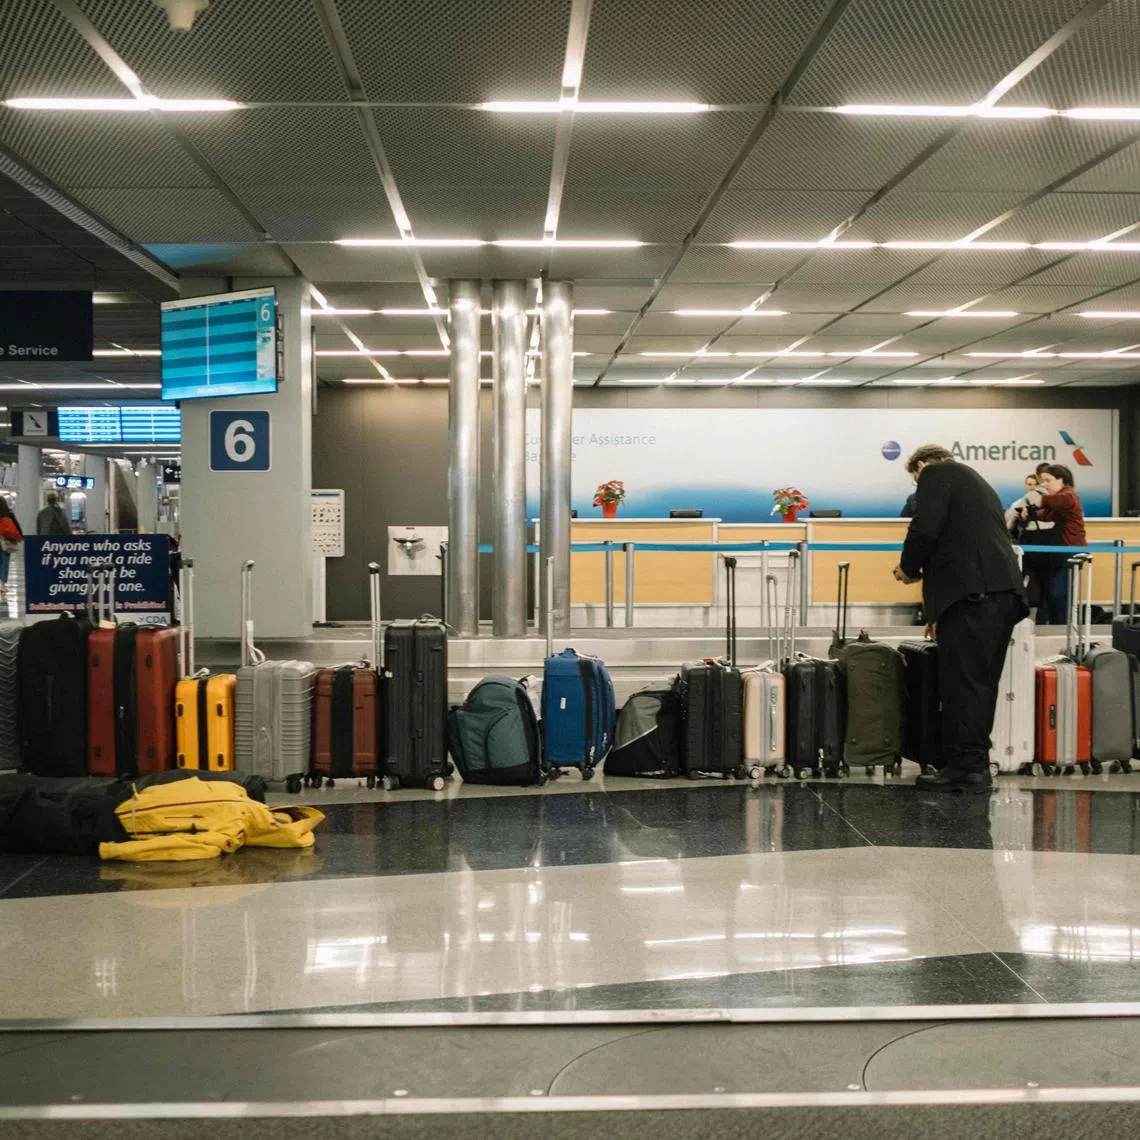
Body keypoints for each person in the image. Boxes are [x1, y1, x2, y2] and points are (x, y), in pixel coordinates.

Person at [893, 444, 1027, 790]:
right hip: (1000, 596)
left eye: (914, 479)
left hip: (974, 598)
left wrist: (908, 568)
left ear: (920, 465)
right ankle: (975, 763)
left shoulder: (937, 474)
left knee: (962, 683)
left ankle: (965, 768)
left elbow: (924, 529)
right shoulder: (976, 482)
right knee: (981, 683)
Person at [1022, 464, 1086, 625]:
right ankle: (1057, 625)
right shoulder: (1058, 499)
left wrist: (1041, 500)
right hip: (1061, 551)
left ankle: (1062, 626)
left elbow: (1060, 501)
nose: (1045, 484)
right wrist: (1030, 513)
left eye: (1048, 480)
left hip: (1070, 550)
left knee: (1059, 592)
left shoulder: (1068, 494)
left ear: (1061, 480)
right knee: (1053, 592)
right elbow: (1046, 514)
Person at [0, 496, 24, 601]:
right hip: (6, 541)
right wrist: (20, 537)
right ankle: (3, 585)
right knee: (5, 562)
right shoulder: (9, 514)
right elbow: (17, 526)